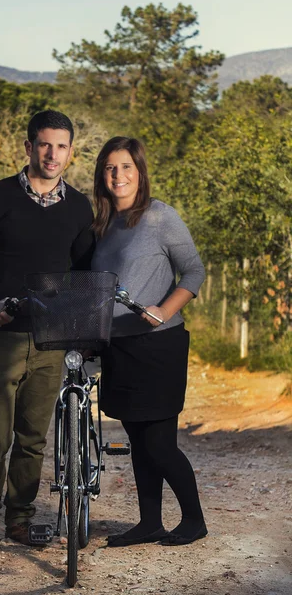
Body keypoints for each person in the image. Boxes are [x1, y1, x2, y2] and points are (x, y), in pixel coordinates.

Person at [0, 110, 95, 546]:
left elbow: (85, 274)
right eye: (44, 144)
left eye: (61, 146)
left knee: (32, 436)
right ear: (29, 147)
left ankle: (20, 518)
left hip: (50, 340)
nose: (52, 154)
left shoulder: (80, 207)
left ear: (71, 151)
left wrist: (82, 329)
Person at [91, 136, 207, 547]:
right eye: (110, 168)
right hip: (118, 347)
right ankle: (150, 523)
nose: (118, 175)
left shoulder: (160, 217)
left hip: (159, 345)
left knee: (159, 443)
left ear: (140, 173)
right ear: (101, 175)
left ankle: (194, 520)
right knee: (139, 443)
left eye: (126, 167)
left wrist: (164, 308)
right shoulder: (103, 225)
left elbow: (194, 272)